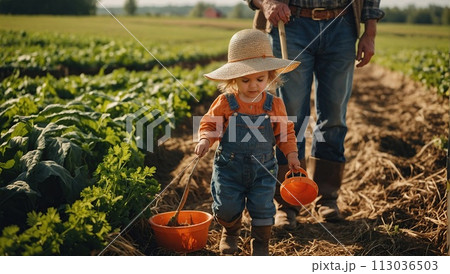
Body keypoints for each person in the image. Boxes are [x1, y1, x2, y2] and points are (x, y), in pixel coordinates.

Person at [246, 0, 384, 227]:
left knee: (334, 116)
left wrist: (370, 32)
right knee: (290, 118)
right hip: (291, 24)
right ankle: (287, 201)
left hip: (342, 25)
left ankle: (327, 198)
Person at [194, 29, 301, 255]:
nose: (253, 85)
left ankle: (260, 245)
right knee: (226, 207)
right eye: (245, 80)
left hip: (263, 169)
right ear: (233, 79)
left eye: (260, 79)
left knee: (263, 208)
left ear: (270, 76)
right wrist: (205, 139)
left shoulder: (274, 104)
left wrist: (291, 154)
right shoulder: (225, 103)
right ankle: (230, 232)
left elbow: (285, 133)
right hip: (229, 168)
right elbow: (211, 125)